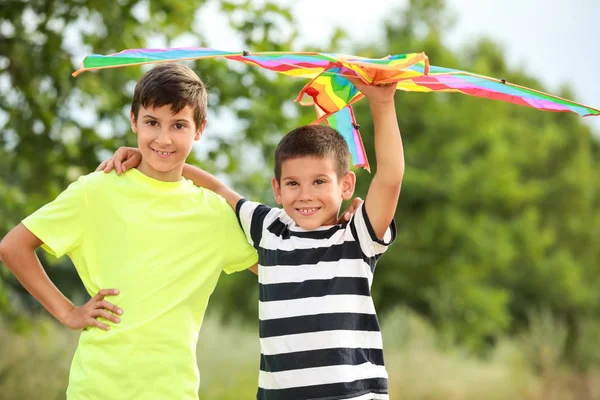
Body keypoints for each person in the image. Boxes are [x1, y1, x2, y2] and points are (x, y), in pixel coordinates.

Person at [102, 77, 403, 400]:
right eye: (293, 184)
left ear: (345, 186)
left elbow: (389, 176)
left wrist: (382, 104)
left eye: (319, 182)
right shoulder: (269, 228)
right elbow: (219, 189)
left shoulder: (356, 238)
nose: (305, 195)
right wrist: (149, 158)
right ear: (277, 189)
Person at [0, 63, 260, 400]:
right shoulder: (96, 191)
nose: (164, 138)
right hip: (95, 390)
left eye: (179, 125)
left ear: (200, 129)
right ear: (133, 120)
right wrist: (69, 312)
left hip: (173, 392)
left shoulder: (214, 214)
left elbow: (278, 263)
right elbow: (13, 246)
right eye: (152, 122)